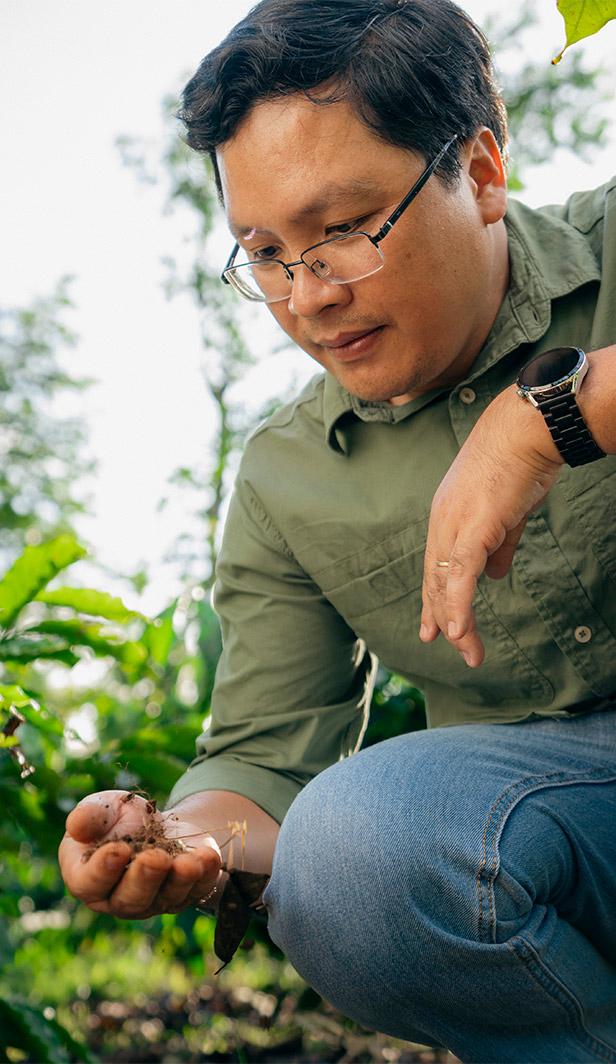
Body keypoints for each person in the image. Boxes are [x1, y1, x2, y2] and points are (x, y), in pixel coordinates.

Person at [59, 0, 616, 1059]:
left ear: (482, 172)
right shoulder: (285, 476)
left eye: (343, 229)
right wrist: (183, 842)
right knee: (347, 850)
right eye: (263, 251)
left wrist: (557, 415)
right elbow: (264, 759)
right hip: (557, 829)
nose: (305, 296)